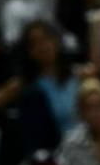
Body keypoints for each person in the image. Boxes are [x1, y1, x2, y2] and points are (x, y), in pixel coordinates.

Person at [18, 21, 80, 153]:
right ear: (28, 51)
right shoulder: (27, 87)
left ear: (57, 41)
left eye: (47, 38)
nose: (42, 46)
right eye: (34, 43)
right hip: (57, 154)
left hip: (90, 148)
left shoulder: (80, 76)